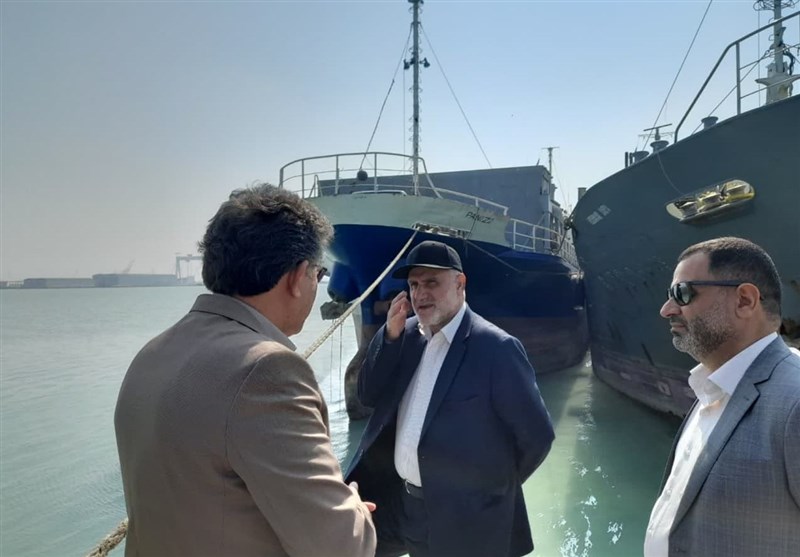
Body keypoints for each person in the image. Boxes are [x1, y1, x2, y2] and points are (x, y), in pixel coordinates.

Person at [114, 184, 376, 557]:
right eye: (318, 275)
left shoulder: (153, 353)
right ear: (297, 276)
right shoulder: (268, 371)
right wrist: (353, 507)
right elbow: (341, 546)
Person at [345, 240, 555, 557]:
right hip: (404, 506)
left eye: (432, 282)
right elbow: (368, 395)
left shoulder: (496, 348)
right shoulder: (403, 334)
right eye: (414, 285)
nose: (420, 294)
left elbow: (537, 437)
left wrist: (485, 495)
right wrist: (388, 338)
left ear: (460, 283)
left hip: (463, 519)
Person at [644, 236, 800, 557]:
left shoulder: (794, 401)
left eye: (682, 293)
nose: (666, 310)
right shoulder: (711, 385)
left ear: (744, 300)